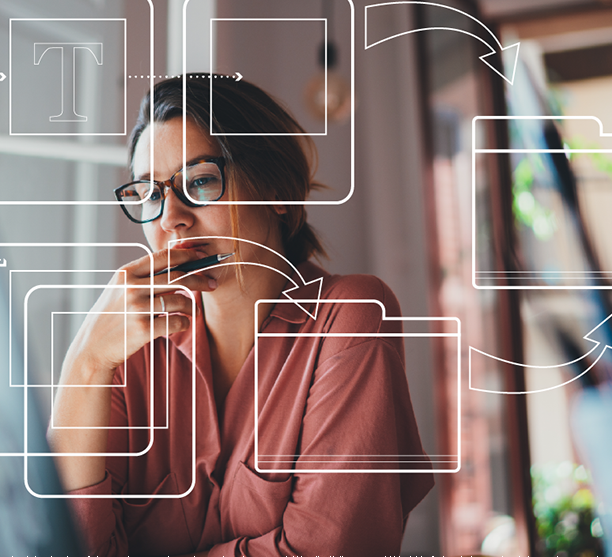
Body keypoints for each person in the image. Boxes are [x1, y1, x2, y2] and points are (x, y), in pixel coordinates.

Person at [48, 75, 433, 557]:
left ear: (276, 189)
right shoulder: (129, 350)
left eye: (201, 181)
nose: (170, 219)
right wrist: (85, 364)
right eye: (149, 194)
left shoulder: (349, 318)